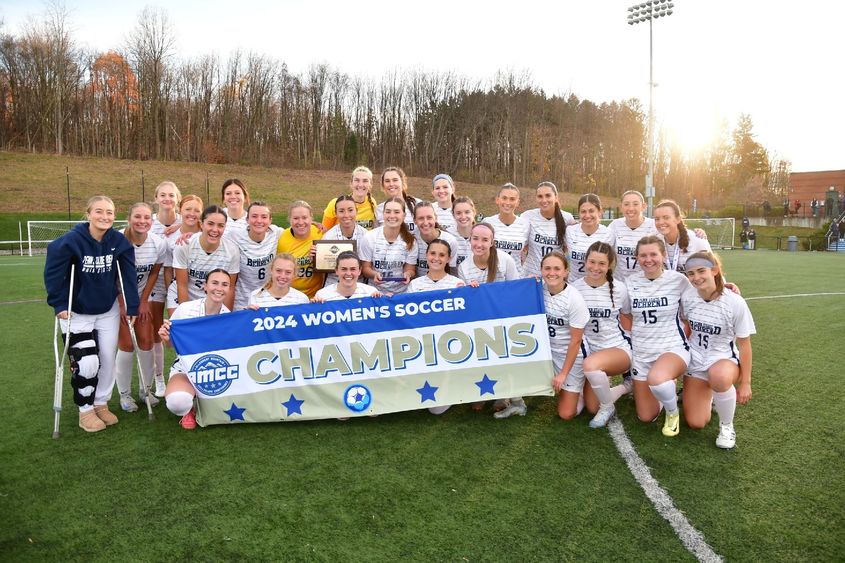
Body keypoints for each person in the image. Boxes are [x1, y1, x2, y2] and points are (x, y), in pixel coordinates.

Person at [44, 195, 139, 432]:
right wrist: (59, 304)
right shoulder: (69, 242)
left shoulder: (119, 242)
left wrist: (133, 306)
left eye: (109, 212)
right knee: (87, 361)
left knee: (107, 358)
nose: (105, 216)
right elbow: (54, 275)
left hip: (107, 309)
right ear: (88, 214)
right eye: (99, 211)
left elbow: (127, 276)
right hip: (76, 311)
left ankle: (100, 402)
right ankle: (85, 409)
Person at [681, 251, 755, 449]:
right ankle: (711, 394)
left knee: (719, 377)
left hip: (723, 360)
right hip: (696, 361)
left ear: (714, 270)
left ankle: (726, 426)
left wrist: (746, 383)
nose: (696, 278)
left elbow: (744, 345)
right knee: (696, 422)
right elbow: (687, 329)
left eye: (701, 271)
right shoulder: (688, 297)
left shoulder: (735, 302)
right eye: (691, 273)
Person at [622, 235, 692, 436]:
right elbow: (626, 315)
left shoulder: (678, 280)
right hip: (642, 354)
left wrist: (726, 284)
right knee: (646, 416)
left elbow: (695, 305)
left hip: (671, 348)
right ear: (637, 257)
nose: (648, 259)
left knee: (658, 377)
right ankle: (665, 389)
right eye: (643, 255)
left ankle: (672, 412)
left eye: (653, 254)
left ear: (663, 255)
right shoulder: (630, 283)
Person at [457, 223, 522, 417]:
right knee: (480, 355)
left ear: (492, 242)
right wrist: (470, 292)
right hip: (478, 320)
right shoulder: (464, 266)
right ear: (470, 240)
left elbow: (515, 290)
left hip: (502, 318)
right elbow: (465, 302)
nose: (479, 243)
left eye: (485, 240)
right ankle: (482, 392)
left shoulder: (505, 260)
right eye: (475, 238)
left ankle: (503, 395)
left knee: (502, 357)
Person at [158, 269, 232, 430]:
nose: (219, 288)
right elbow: (171, 344)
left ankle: (202, 401)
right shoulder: (185, 309)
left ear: (229, 289)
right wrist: (166, 337)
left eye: (225, 284)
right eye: (214, 283)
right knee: (177, 403)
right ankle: (189, 408)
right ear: (205, 286)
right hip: (185, 369)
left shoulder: (229, 318)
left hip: (215, 372)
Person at [572, 242, 634, 428]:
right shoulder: (575, 289)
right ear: (585, 261)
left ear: (609, 266)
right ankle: (627, 386)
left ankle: (608, 407)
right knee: (592, 407)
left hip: (616, 349)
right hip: (590, 351)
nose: (596, 268)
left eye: (601, 264)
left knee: (590, 366)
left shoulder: (620, 289)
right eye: (592, 262)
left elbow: (629, 318)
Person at [114, 202, 166, 412]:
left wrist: (144, 301)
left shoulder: (158, 243)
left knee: (146, 341)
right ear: (129, 218)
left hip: (142, 298)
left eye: (146, 218)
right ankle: (124, 395)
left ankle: (146, 389)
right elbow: (111, 276)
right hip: (117, 298)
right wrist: (122, 304)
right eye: (138, 216)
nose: (142, 221)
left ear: (152, 221)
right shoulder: (116, 240)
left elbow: (154, 272)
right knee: (126, 345)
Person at [542, 251, 591, 421]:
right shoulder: (538, 289)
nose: (552, 273)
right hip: (548, 354)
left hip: (570, 355)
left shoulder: (574, 298)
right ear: (541, 271)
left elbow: (576, 340)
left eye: (557, 268)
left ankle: (584, 386)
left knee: (566, 413)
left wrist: (563, 374)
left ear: (566, 272)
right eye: (547, 268)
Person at [171, 205, 240, 312]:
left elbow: (230, 288)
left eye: (220, 225)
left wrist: (226, 317)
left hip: (214, 299)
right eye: (210, 224)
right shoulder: (185, 245)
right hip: (187, 297)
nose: (215, 230)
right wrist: (186, 315)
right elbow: (182, 285)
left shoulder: (232, 250)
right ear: (201, 224)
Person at [149, 181, 181, 395]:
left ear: (178, 198)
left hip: (177, 282)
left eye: (171, 195)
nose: (167, 198)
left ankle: (181, 370)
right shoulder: (148, 222)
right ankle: (158, 378)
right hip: (151, 280)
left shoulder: (185, 219)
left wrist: (180, 226)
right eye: (163, 195)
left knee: (176, 330)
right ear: (156, 198)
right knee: (154, 331)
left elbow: (201, 221)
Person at [228, 201, 282, 310]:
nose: (259, 221)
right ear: (247, 220)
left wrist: (313, 224)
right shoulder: (234, 236)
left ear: (270, 220)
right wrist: (188, 234)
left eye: (264, 217)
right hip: (242, 301)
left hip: (268, 300)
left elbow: (297, 231)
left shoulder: (276, 233)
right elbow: (213, 236)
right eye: (254, 216)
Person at [360, 197, 418, 295]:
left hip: (401, 293)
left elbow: (410, 269)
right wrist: (374, 274)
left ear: (403, 215)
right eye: (388, 212)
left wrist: (408, 274)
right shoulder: (369, 237)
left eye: (396, 212)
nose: (392, 216)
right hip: (375, 294)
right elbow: (365, 269)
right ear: (383, 214)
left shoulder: (411, 241)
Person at [522, 181, 575, 279]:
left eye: (548, 195)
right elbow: (521, 247)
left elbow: (569, 248)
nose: (544, 200)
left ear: (556, 197)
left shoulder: (567, 218)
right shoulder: (527, 216)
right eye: (540, 196)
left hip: (554, 277)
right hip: (531, 276)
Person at [163, 195, 203, 318]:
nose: (192, 213)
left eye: (197, 210)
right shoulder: (170, 235)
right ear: (180, 210)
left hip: (202, 289)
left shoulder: (207, 233)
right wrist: (170, 290)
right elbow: (168, 268)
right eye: (188, 209)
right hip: (179, 288)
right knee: (178, 330)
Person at [277, 200, 324, 299]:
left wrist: (318, 259)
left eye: (304, 217)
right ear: (290, 220)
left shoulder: (320, 233)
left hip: (316, 297)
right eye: (296, 218)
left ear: (311, 218)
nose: (300, 222)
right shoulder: (282, 239)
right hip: (291, 297)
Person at [607, 190, 656, 281]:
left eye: (635, 204)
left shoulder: (653, 226)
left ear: (643, 206)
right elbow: (604, 251)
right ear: (621, 207)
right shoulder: (615, 225)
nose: (631, 208)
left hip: (647, 283)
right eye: (626, 204)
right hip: (621, 282)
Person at [321, 195, 369, 287]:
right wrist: (317, 256)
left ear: (356, 211)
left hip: (359, 287)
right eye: (341, 211)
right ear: (336, 213)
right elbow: (322, 268)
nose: (346, 215)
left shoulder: (366, 236)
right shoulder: (328, 237)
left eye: (350, 210)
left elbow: (368, 265)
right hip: (333, 285)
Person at [653, 199, 711, 273]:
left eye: (666, 217)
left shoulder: (697, 239)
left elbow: (712, 269)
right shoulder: (654, 241)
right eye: (657, 219)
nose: (660, 222)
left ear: (678, 219)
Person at [485, 183, 530, 277]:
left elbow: (527, 250)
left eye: (512, 199)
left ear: (518, 202)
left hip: (515, 278)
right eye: (504, 198)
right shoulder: (488, 222)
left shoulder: (525, 224)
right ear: (497, 200)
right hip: (492, 277)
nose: (508, 202)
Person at [565, 193, 611, 283]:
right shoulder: (570, 231)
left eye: (591, 211)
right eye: (583, 211)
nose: (587, 215)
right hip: (574, 285)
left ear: (600, 211)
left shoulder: (608, 233)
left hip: (598, 286)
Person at [413, 201, 460, 277]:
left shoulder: (450, 241)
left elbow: (452, 271)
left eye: (429, 217)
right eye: (421, 218)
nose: (425, 222)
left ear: (436, 218)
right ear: (415, 220)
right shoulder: (412, 240)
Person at [314, 251, 382, 301]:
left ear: (359, 271)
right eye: (344, 269)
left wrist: (385, 300)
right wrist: (316, 307)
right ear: (336, 271)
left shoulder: (371, 293)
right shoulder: (322, 295)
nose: (348, 273)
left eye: (353, 269)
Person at [376, 167, 420, 232]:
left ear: (402, 182)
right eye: (387, 181)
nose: (391, 184)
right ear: (383, 185)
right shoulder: (379, 209)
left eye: (395, 180)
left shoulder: (417, 204)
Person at [449, 196, 476, 267]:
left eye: (467, 212)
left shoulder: (481, 233)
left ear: (473, 212)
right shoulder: (448, 235)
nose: (463, 216)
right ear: (453, 215)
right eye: (458, 213)